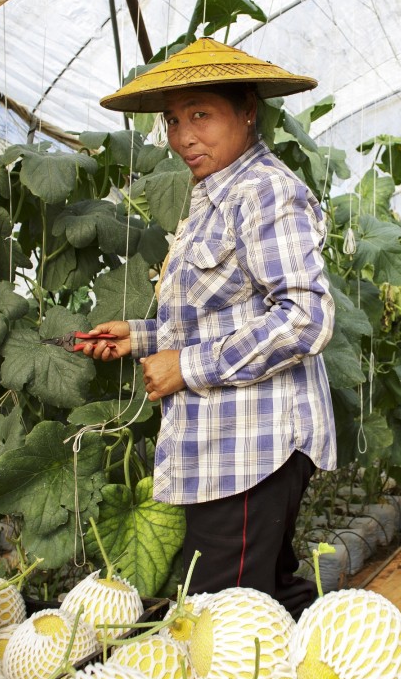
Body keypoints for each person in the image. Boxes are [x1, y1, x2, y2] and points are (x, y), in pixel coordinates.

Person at [87, 38, 337, 620]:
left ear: (247, 110)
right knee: (267, 593)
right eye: (173, 120)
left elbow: (305, 318)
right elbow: (224, 311)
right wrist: (142, 337)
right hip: (230, 444)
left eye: (201, 114)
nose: (183, 137)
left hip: (254, 443)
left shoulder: (265, 190)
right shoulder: (213, 193)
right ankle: (342, 672)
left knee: (223, 616)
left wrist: (186, 367)